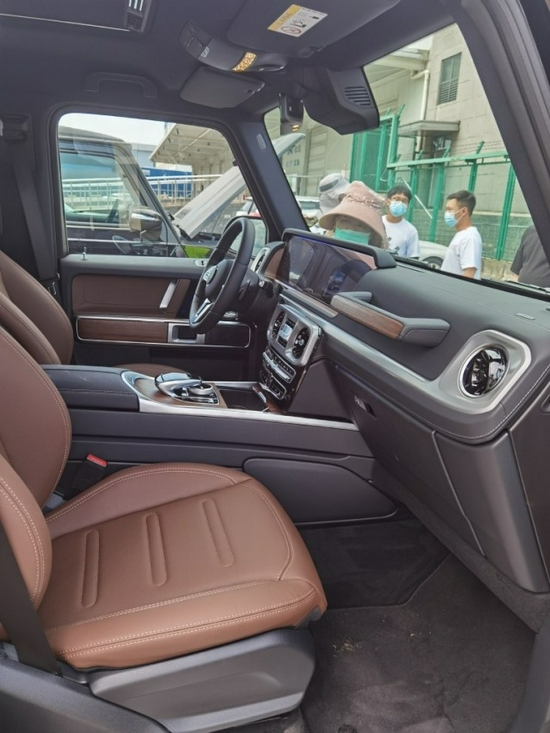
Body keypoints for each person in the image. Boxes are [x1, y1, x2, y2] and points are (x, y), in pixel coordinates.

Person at [318, 180, 388, 248]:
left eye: (361, 225)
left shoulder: (376, 256)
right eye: (345, 221)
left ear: (371, 234)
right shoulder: (322, 251)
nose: (351, 229)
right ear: (335, 224)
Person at [441, 190, 482, 279]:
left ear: (463, 211)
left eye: (450, 210)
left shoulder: (470, 237)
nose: (446, 214)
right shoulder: (462, 235)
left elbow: (469, 272)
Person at [382, 184, 420, 258]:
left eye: (404, 201)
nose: (400, 203)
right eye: (397, 199)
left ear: (407, 205)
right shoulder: (377, 222)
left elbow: (414, 257)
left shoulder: (411, 231)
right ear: (388, 201)